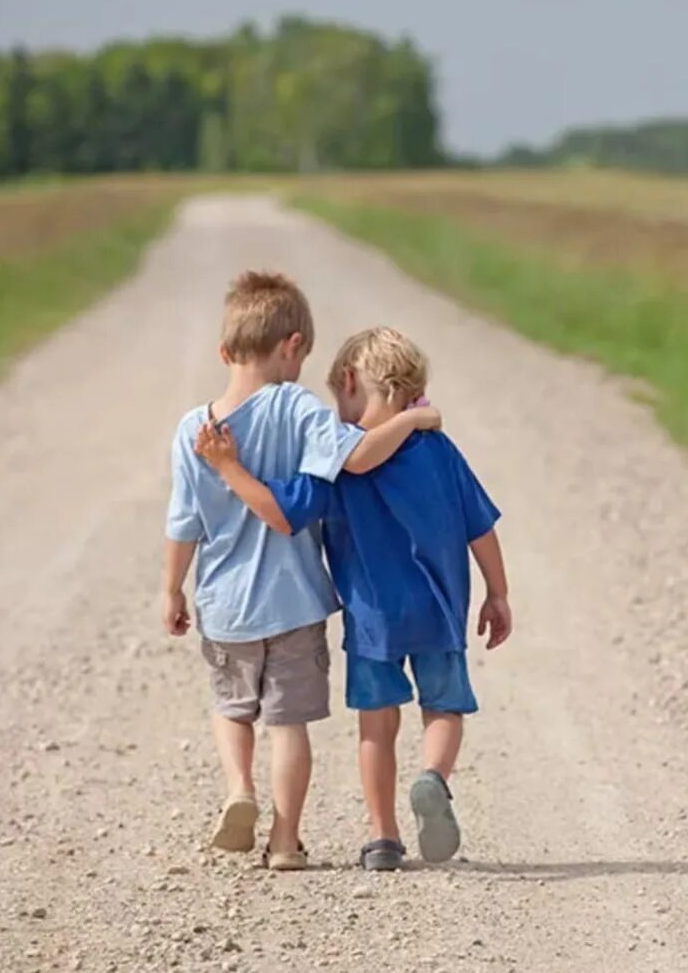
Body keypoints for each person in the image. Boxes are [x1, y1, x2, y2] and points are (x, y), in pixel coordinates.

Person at [194, 326, 512, 872]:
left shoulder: (335, 462)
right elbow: (479, 526)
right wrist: (498, 594)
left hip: (372, 622)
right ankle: (433, 777)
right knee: (444, 708)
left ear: (347, 382)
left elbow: (282, 511)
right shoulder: (437, 448)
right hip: (439, 609)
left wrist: (229, 467)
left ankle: (382, 836)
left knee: (376, 727)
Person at [164, 275, 441, 871]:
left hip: (225, 602)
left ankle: (239, 787)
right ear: (292, 346)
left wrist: (170, 590)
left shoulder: (193, 429)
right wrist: (415, 421)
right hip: (294, 602)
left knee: (232, 707)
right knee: (289, 726)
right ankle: (285, 840)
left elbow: (183, 522)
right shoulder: (299, 409)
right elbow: (360, 455)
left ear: (224, 352)